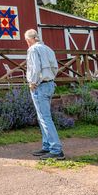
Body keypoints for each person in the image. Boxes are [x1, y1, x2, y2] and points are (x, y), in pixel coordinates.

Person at [24, 29, 65, 160]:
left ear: (29, 40)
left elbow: (35, 68)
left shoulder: (33, 50)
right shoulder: (48, 49)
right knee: (43, 117)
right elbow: (55, 67)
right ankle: (47, 145)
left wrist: (32, 82)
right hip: (50, 84)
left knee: (45, 118)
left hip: (39, 86)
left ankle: (56, 149)